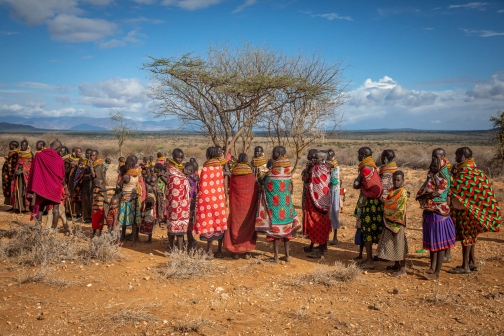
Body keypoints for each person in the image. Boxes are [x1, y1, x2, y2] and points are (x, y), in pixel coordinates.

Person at [448, 147, 501, 274]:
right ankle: (472, 262)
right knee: (471, 235)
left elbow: (456, 189)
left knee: (467, 236)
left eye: (457, 155)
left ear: (463, 157)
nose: (455, 157)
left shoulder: (465, 173)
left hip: (467, 211)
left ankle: (465, 266)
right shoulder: (478, 173)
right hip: (476, 210)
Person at [416, 148, 456, 280]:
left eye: (437, 157)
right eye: (433, 156)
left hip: (438, 213)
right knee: (434, 244)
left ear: (443, 157)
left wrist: (424, 195)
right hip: (434, 212)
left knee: (439, 245)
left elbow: (432, 190)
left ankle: (437, 272)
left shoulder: (442, 174)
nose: (434, 159)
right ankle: (432, 268)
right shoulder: (437, 173)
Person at [255, 146, 301, 263]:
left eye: (274, 152)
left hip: (275, 205)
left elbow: (267, 183)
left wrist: (261, 180)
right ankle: (287, 256)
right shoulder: (287, 168)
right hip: (286, 205)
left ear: (279, 153)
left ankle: (276, 257)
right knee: (286, 231)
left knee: (275, 230)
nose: (272, 154)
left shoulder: (275, 170)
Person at [193, 147, 228, 258]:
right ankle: (219, 251)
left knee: (209, 224)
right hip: (219, 200)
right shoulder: (220, 167)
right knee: (219, 223)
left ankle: (209, 251)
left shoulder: (206, 168)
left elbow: (202, 186)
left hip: (207, 201)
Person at [353, 147, 384, 269]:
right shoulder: (373, 167)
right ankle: (369, 258)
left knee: (367, 232)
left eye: (359, 154)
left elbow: (356, 185)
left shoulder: (365, 169)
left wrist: (358, 180)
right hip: (376, 204)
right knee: (372, 230)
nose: (357, 156)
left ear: (363, 155)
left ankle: (370, 261)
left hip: (369, 204)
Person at [223, 153, 258, 259]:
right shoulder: (250, 173)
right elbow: (254, 188)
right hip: (248, 204)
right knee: (247, 223)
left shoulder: (234, 172)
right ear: (246, 160)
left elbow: (232, 188)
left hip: (236, 204)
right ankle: (246, 250)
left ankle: (236, 251)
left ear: (238, 160)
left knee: (235, 222)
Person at [26, 140, 67, 229]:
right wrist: (65, 187)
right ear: (57, 148)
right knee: (55, 209)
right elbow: (62, 175)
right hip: (55, 187)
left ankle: (37, 229)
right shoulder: (59, 159)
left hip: (41, 187)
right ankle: (53, 230)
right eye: (60, 149)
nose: (60, 151)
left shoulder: (39, 155)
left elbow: (33, 171)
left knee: (40, 207)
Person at [377, 171, 409, 277]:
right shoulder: (391, 191)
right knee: (394, 244)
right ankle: (396, 265)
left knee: (400, 245)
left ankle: (403, 269)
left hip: (398, 223)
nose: (396, 182)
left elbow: (399, 209)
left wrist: (387, 210)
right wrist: (384, 203)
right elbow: (388, 203)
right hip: (390, 221)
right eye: (394, 179)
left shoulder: (403, 193)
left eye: (398, 180)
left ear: (403, 181)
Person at [303, 151, 332, 259]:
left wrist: (309, 168)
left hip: (316, 201)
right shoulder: (327, 167)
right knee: (322, 223)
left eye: (316, 158)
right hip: (323, 199)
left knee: (317, 223)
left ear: (322, 159)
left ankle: (320, 251)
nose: (313, 160)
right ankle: (319, 246)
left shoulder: (316, 169)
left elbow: (306, 179)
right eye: (313, 158)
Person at [165, 149, 191, 251]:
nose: (180, 159)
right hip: (173, 203)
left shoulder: (180, 169)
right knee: (172, 226)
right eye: (177, 157)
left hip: (183, 203)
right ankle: (171, 248)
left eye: (181, 157)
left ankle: (180, 251)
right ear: (173, 156)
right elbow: (171, 186)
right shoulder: (171, 170)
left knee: (180, 229)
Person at [117, 156, 142, 241]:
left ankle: (123, 236)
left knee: (124, 218)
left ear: (128, 165)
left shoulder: (126, 176)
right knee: (134, 220)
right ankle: (134, 238)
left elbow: (119, 185)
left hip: (126, 199)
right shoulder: (137, 174)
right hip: (134, 199)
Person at [12, 140, 33, 213]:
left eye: (24, 145)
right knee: (18, 190)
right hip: (19, 176)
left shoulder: (30, 154)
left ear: (27, 146)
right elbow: (17, 164)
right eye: (22, 145)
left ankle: (27, 208)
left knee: (25, 191)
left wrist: (23, 171)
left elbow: (31, 166)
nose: (23, 147)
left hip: (27, 177)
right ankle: (18, 207)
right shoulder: (18, 154)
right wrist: (17, 171)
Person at [327, 149, 341, 245]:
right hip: (329, 191)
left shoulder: (335, 166)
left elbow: (334, 181)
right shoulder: (329, 165)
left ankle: (335, 237)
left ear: (332, 156)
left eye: (329, 155)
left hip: (334, 191)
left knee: (334, 212)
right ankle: (327, 235)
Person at [185, 162, 199, 250]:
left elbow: (195, 177)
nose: (184, 171)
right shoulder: (192, 178)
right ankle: (190, 239)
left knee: (189, 224)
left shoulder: (191, 178)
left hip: (189, 206)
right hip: (190, 205)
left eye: (185, 169)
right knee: (189, 223)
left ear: (190, 171)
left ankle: (190, 240)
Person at [2, 141, 19, 209]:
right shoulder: (12, 153)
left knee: (12, 189)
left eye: (10, 145)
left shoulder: (16, 154)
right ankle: (12, 205)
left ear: (13, 146)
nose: (9, 146)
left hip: (11, 175)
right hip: (7, 175)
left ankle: (14, 205)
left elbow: (14, 165)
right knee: (8, 189)